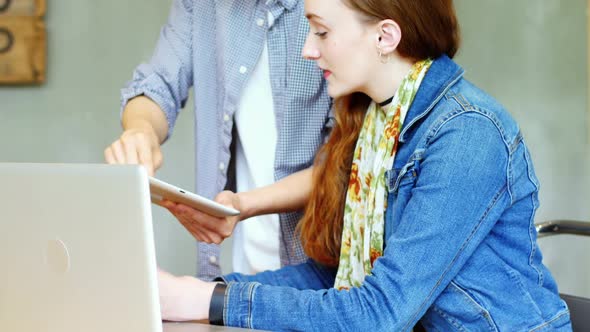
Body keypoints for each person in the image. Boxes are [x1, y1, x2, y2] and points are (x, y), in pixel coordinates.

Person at [154, 0, 573, 330]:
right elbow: (338, 280)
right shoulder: (376, 127)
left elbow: (379, 314)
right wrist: (200, 291)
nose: (307, 49)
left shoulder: (467, 133)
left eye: (321, 31)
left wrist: (206, 302)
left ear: (385, 36)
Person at [104, 0, 332, 279]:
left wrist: (243, 204)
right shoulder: (201, 5)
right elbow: (157, 85)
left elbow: (342, 163)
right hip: (237, 272)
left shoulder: (330, 13)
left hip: (318, 275)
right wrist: (140, 129)